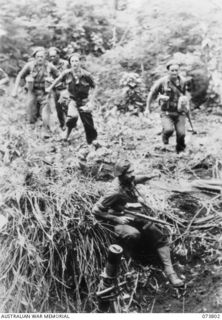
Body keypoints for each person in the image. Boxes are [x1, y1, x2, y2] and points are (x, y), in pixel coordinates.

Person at [92, 159, 184, 287]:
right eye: (129, 173)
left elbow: (136, 179)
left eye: (132, 171)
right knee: (133, 234)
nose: (132, 174)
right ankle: (130, 261)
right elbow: (96, 210)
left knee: (157, 234)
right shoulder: (114, 192)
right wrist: (116, 219)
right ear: (121, 175)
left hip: (135, 217)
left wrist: (149, 176)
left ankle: (170, 273)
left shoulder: (128, 181)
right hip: (119, 222)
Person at [46, 53, 98, 144]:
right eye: (72, 61)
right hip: (72, 100)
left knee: (88, 123)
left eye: (76, 61)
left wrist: (91, 102)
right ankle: (66, 134)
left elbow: (95, 87)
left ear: (80, 62)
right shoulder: (67, 73)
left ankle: (92, 142)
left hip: (84, 101)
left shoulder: (86, 75)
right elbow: (58, 79)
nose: (75, 63)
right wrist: (50, 88)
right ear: (70, 63)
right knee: (72, 117)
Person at [145, 61, 191, 153]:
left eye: (176, 70)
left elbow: (187, 95)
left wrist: (186, 104)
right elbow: (152, 93)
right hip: (166, 112)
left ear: (179, 71)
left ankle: (180, 150)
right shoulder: (162, 82)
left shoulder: (183, 81)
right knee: (168, 130)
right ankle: (165, 136)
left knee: (181, 133)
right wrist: (147, 108)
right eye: (172, 70)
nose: (174, 72)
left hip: (180, 111)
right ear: (168, 71)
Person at [12, 47, 59, 136]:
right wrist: (15, 90)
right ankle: (31, 131)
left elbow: (59, 76)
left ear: (45, 57)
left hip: (45, 92)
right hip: (32, 91)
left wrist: (53, 82)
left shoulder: (49, 66)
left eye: (41, 56)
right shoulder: (29, 65)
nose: (40, 58)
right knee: (30, 112)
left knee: (45, 112)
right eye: (37, 56)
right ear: (34, 57)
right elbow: (19, 75)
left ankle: (45, 130)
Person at [48, 47, 69, 129]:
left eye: (54, 56)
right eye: (51, 56)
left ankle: (70, 122)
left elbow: (69, 75)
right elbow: (48, 77)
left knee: (66, 106)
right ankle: (62, 124)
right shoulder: (49, 65)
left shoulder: (65, 63)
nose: (52, 58)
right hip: (55, 89)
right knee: (58, 108)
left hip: (65, 88)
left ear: (58, 55)